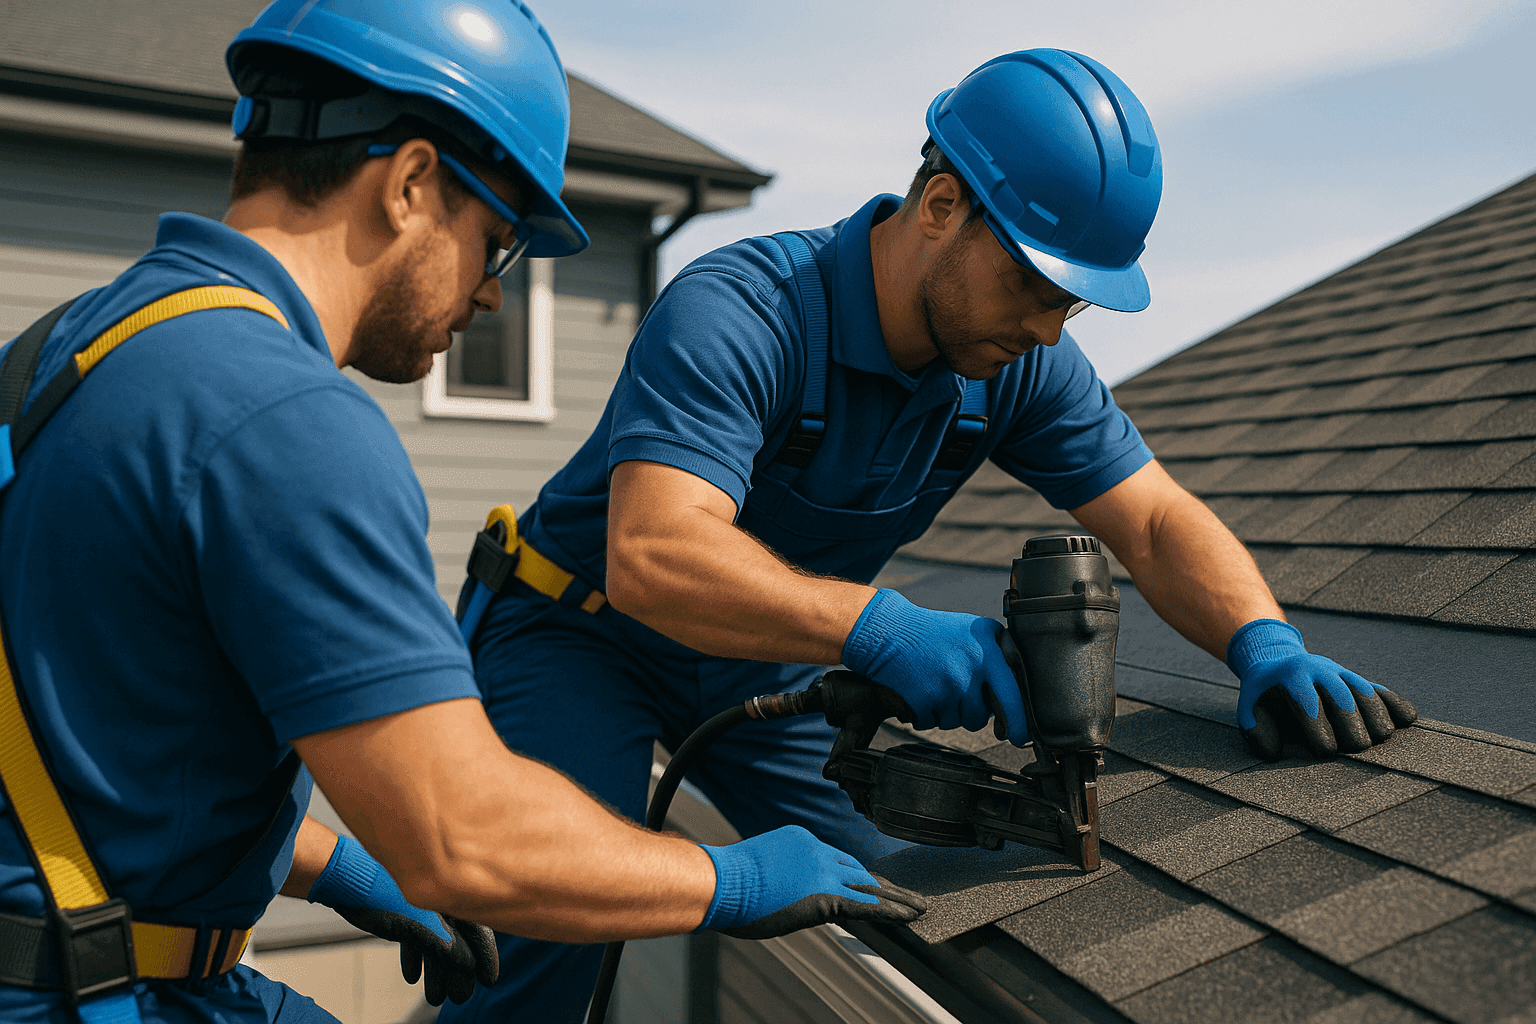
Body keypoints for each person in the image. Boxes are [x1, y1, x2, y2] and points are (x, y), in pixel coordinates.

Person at [450, 47, 1420, 1022]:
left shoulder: (1017, 365)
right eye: (1036, 283)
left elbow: (1158, 521)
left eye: (1072, 300)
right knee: (546, 947)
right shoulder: (744, 310)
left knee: (915, 891)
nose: (1050, 330)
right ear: (943, 206)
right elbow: (655, 555)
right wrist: (881, 628)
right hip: (574, 634)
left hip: (755, 664)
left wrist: (1264, 641)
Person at [0, 3, 924, 1024]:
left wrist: (343, 866)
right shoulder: (290, 419)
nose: (490, 298)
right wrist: (732, 880)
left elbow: (110, 745)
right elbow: (463, 836)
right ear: (408, 185)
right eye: (498, 242)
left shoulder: (69, 349)